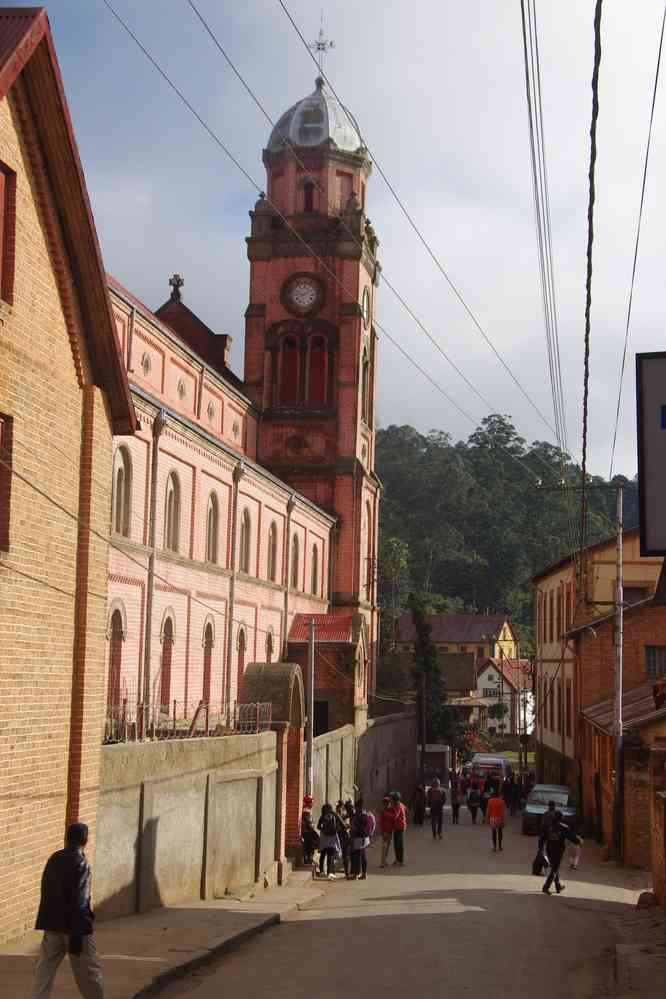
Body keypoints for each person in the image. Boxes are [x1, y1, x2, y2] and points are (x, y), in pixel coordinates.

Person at [32, 822, 103, 999]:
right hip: (75, 929)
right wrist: (78, 933)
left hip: (52, 926)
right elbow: (81, 900)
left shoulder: (54, 859)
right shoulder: (82, 864)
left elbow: (46, 890)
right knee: (89, 975)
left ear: (66, 838)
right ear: (85, 841)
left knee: (44, 973)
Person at [540, 810, 579, 894]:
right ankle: (546, 887)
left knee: (554, 867)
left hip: (549, 850)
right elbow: (572, 837)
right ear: (561, 818)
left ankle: (558, 886)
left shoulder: (548, 826)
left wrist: (540, 848)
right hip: (558, 851)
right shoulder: (563, 827)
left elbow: (542, 838)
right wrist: (578, 841)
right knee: (554, 868)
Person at [350, 798, 375, 879]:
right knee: (363, 855)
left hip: (359, 837)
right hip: (365, 837)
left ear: (357, 807)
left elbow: (359, 827)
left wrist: (353, 827)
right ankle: (364, 874)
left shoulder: (359, 815)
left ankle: (356, 874)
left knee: (357, 856)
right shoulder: (365, 814)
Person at [317, 803, 342, 879]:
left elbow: (318, 826)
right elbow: (340, 825)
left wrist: (323, 830)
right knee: (330, 856)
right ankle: (329, 872)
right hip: (332, 838)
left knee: (322, 855)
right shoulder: (334, 815)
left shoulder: (323, 816)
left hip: (324, 838)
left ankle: (321, 871)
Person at [389, 790, 407, 864]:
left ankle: (400, 860)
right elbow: (406, 810)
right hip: (398, 826)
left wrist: (386, 815)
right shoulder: (400, 805)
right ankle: (397, 859)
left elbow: (394, 816)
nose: (390, 799)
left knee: (399, 844)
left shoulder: (398, 806)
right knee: (396, 843)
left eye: (391, 798)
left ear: (394, 799)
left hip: (400, 827)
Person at [301, 794, 318, 866]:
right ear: (308, 802)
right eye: (311, 802)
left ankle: (309, 859)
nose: (312, 804)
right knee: (310, 846)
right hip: (307, 832)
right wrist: (314, 831)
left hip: (308, 831)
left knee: (310, 846)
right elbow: (308, 823)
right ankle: (308, 860)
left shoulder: (307, 810)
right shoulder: (306, 811)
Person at [379, 796, 395, 868]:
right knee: (384, 847)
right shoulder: (383, 812)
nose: (386, 804)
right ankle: (382, 862)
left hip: (390, 831)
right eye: (385, 803)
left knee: (387, 847)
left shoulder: (391, 810)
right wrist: (382, 831)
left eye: (387, 803)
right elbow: (381, 822)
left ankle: (384, 861)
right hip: (385, 832)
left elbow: (393, 819)